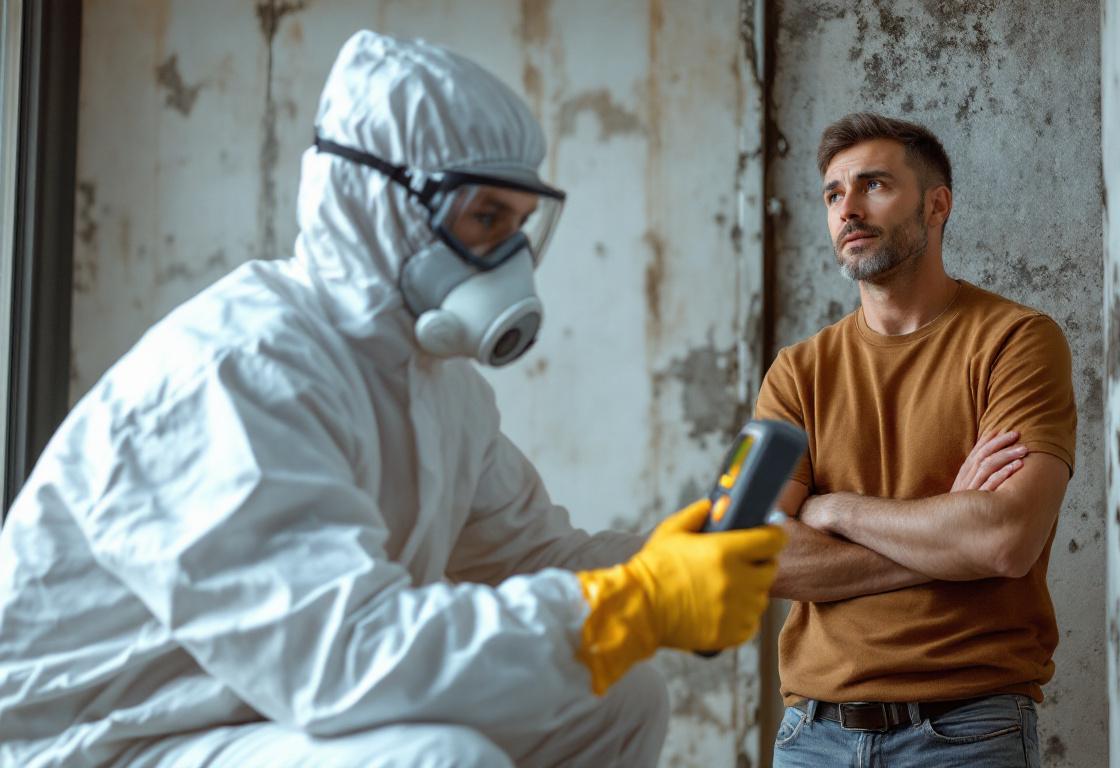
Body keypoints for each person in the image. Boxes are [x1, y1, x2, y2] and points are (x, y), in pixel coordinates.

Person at [0, 31, 784, 768]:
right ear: (379, 202)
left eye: (518, 225)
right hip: (109, 739)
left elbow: (525, 555)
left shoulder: (435, 387)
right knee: (437, 760)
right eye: (484, 218)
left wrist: (658, 563)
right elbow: (345, 659)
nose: (506, 257)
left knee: (617, 699)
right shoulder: (239, 373)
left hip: (254, 706)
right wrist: (634, 605)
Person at [757, 112, 1076, 766]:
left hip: (966, 731)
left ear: (937, 206)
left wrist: (834, 509)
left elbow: (1004, 539)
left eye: (873, 185)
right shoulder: (795, 372)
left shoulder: (1016, 343)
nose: (848, 208)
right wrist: (944, 534)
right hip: (812, 738)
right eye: (832, 193)